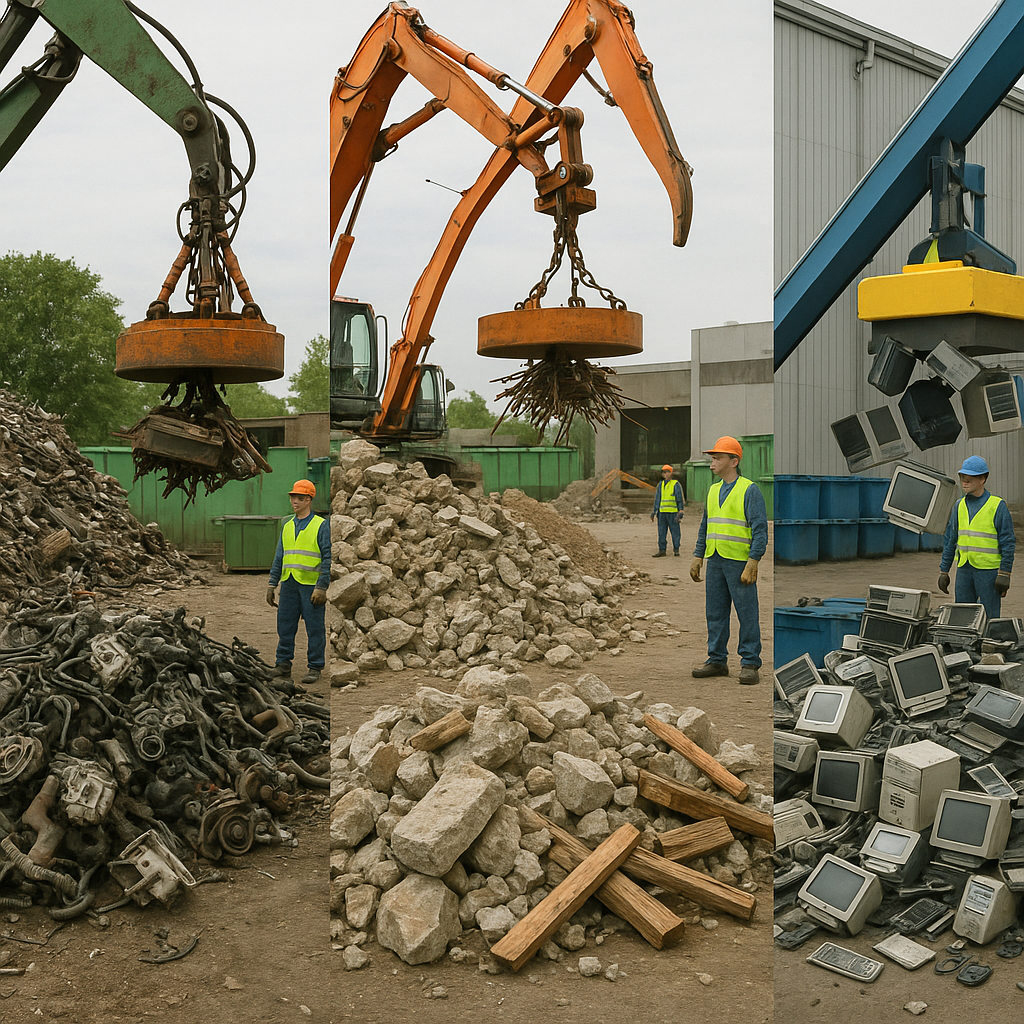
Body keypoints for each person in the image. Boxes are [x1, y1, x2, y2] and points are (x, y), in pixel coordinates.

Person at [689, 436, 768, 684]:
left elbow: (760, 529)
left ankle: (750, 663)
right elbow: (705, 527)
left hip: (739, 563)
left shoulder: (749, 489)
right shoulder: (712, 491)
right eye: (712, 458)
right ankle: (716, 660)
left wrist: (753, 561)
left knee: (747, 614)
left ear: (734, 461)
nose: (712, 462)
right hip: (715, 560)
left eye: (717, 458)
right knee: (715, 613)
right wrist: (697, 556)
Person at [266, 479, 331, 685]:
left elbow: (328, 557)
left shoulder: (321, 525)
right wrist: (272, 583)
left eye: (300, 498)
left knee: (314, 628)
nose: (295, 501)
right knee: (285, 626)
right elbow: (279, 557)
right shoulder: (287, 525)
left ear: (309, 500)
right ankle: (283, 664)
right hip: (289, 584)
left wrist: (322, 587)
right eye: (293, 497)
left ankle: (315, 666)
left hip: (311, 586)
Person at [937, 455, 1014, 619]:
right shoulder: (959, 506)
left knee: (989, 617)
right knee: (962, 616)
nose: (964, 482)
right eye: (963, 478)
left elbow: (1008, 543)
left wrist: (1005, 573)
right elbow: (950, 540)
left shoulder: (997, 506)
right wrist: (944, 571)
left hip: (989, 573)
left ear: (982, 479)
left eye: (969, 479)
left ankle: (988, 645)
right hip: (964, 570)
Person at [650, 464, 685, 557]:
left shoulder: (676, 484)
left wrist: (681, 510)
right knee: (661, 532)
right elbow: (658, 499)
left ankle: (676, 549)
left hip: (673, 513)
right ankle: (662, 550)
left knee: (675, 532)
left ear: (671, 473)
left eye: (667, 472)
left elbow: (679, 498)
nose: (665, 474)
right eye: (664, 472)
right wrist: (654, 511)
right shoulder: (660, 485)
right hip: (662, 513)